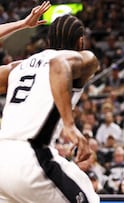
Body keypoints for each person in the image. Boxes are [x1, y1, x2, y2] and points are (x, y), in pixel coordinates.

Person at [0, 14, 100, 202]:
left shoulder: (17, 68)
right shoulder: (84, 58)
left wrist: (21, 24)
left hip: (2, 158)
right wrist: (70, 125)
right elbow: (58, 65)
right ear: (81, 42)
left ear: (48, 41)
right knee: (89, 196)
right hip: (31, 159)